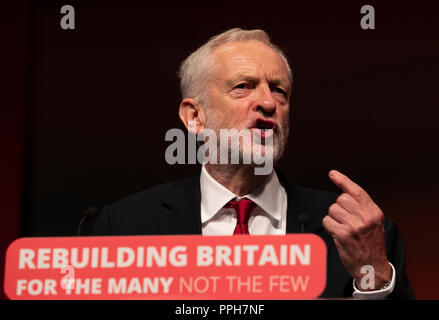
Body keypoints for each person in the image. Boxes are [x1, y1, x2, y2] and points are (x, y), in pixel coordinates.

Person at [92, 28, 414, 299]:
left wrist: (373, 276)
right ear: (195, 117)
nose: (268, 103)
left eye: (279, 91)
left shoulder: (359, 234)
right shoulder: (124, 227)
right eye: (243, 86)